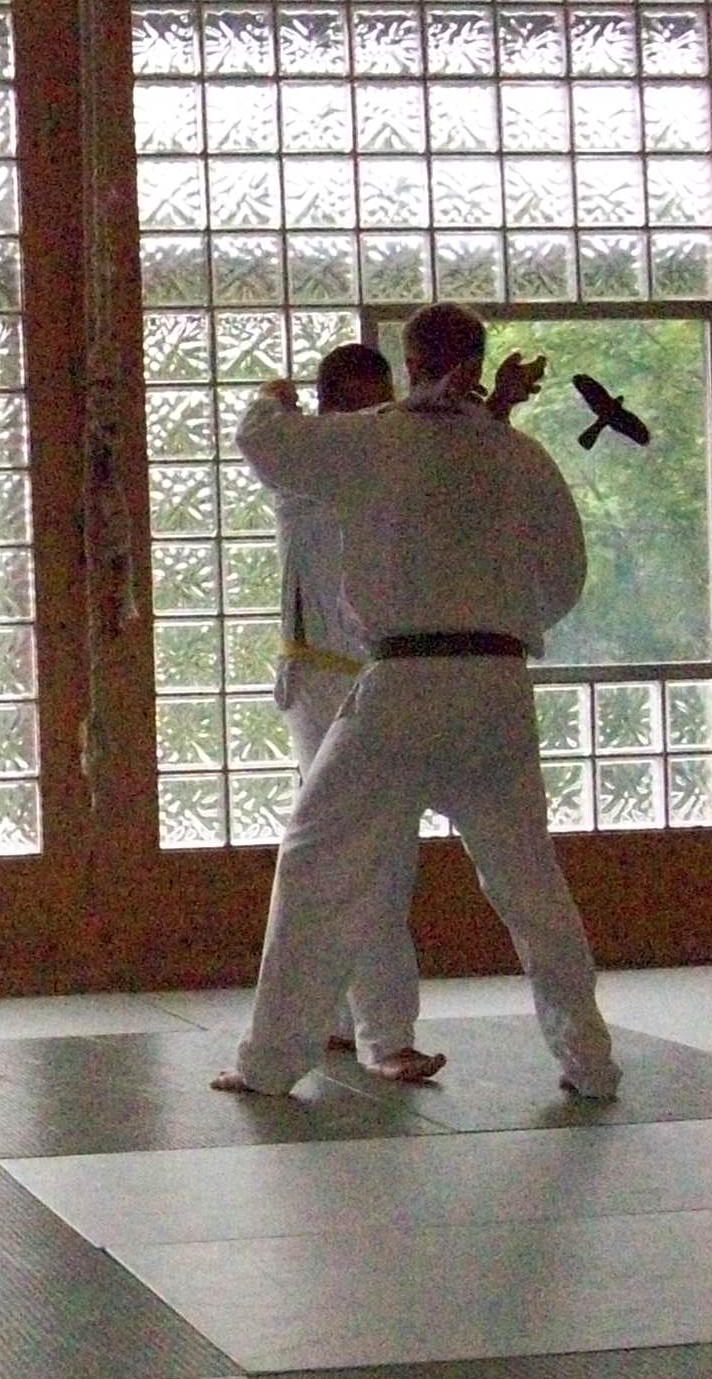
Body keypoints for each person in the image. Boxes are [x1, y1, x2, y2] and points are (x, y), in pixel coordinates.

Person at [214, 302, 619, 1103]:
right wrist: (503, 621)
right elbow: (565, 577)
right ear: (478, 359)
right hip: (498, 686)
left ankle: (271, 1061)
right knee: (531, 886)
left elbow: (266, 444)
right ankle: (591, 1063)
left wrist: (268, 397)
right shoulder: (520, 454)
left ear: (408, 361)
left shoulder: (376, 440)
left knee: (316, 862)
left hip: (405, 683)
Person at [269, 342, 440, 1085]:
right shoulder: (306, 466)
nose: (377, 416)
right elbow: (268, 435)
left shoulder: (392, 464)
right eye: (363, 404)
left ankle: (344, 1020)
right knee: (369, 850)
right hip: (324, 680)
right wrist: (274, 404)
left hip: (383, 677)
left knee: (363, 851)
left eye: (385, 402)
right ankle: (385, 1034)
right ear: (331, 406)